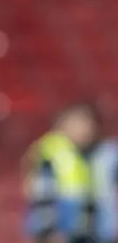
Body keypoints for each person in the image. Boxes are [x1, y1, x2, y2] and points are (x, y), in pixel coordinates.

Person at [24, 102, 118, 243]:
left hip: (100, 234)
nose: (81, 129)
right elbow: (42, 198)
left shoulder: (107, 155)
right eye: (74, 123)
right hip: (65, 235)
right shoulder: (53, 157)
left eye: (84, 122)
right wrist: (47, 232)